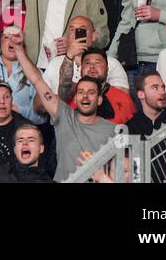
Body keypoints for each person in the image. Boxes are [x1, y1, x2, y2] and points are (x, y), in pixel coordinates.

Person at [15, 40, 114, 181]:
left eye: (91, 92)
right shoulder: (63, 116)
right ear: (75, 98)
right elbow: (37, 80)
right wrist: (19, 50)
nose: (85, 96)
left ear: (99, 99)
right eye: (80, 92)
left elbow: (128, 170)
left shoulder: (112, 130)